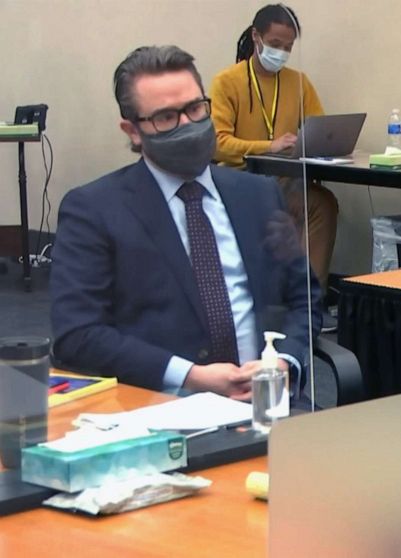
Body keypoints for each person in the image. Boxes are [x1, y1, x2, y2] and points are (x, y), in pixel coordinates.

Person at [50, 45, 321, 400]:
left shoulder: (257, 194)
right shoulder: (95, 210)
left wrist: (283, 362)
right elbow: (77, 334)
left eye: (195, 109)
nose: (188, 126)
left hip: (266, 401)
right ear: (133, 131)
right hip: (160, 411)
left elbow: (305, 298)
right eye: (166, 117)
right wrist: (191, 376)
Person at [209, 3, 338, 293]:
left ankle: (310, 299)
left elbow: (319, 129)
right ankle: (272, 295)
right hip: (239, 181)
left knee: (322, 204)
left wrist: (322, 145)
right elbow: (218, 143)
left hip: (282, 181)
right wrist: (271, 145)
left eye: (288, 46)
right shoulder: (227, 81)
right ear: (256, 37)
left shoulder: (298, 82)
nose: (281, 52)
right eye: (275, 44)